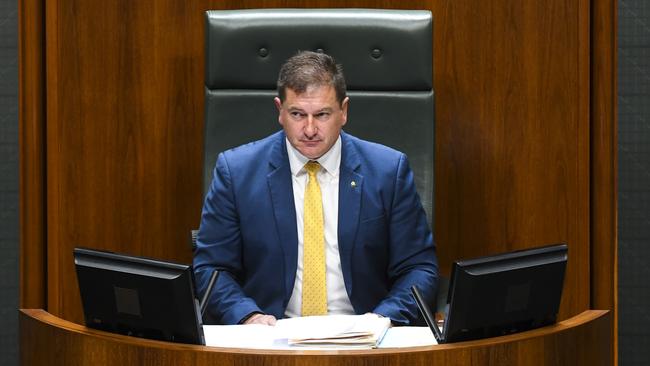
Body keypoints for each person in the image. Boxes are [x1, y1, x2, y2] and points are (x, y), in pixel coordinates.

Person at [193, 51, 438, 326]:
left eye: (322, 114)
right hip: (269, 340)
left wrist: (383, 318)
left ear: (343, 111)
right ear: (279, 111)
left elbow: (419, 268)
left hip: (363, 338)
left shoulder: (388, 171)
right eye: (297, 114)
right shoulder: (236, 173)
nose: (309, 129)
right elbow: (211, 268)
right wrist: (248, 316)